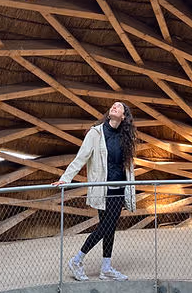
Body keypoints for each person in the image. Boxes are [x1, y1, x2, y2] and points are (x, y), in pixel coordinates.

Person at [53, 101, 136, 281]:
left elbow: (128, 166)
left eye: (119, 106)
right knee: (106, 226)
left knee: (110, 228)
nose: (114, 107)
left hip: (119, 189)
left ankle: (106, 268)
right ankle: (77, 260)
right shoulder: (96, 133)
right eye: (113, 105)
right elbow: (81, 157)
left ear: (123, 116)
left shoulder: (125, 138)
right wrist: (66, 178)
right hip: (103, 189)